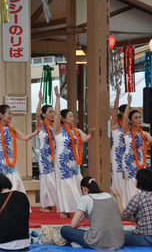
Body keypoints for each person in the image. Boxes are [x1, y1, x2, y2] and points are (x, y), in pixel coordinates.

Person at [0, 85, 41, 193]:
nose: (11, 116)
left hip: (11, 160)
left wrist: (34, 133)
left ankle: (16, 201)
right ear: (1, 115)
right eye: (9, 113)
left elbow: (25, 137)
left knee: (14, 178)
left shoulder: (11, 128)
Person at [53, 86, 95, 218]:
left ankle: (73, 208)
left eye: (73, 116)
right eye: (70, 116)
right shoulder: (58, 130)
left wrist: (92, 135)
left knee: (76, 183)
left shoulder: (77, 131)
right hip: (62, 161)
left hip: (74, 162)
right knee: (64, 183)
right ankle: (63, 209)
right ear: (63, 119)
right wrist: (58, 98)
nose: (72, 118)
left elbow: (86, 139)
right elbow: (56, 114)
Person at [120, 94, 152, 207]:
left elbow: (151, 140)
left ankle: (139, 206)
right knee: (130, 183)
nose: (139, 120)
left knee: (140, 183)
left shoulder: (144, 133)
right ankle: (128, 206)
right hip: (128, 162)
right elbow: (124, 119)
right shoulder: (126, 131)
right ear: (130, 120)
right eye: (136, 118)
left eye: (140, 117)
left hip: (139, 162)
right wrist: (129, 104)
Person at [60, 176, 124, 250]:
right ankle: (77, 243)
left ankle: (78, 243)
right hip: (118, 242)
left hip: (96, 242)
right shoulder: (109, 195)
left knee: (64, 230)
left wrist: (81, 218)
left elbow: (73, 225)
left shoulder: (86, 198)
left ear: (84, 188)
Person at [111, 169, 152, 247]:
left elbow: (122, 216)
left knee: (117, 233)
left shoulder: (138, 197)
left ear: (140, 182)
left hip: (146, 239)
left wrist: (117, 197)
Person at [35, 90, 57, 213]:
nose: (53, 113)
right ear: (44, 114)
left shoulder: (55, 127)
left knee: (53, 178)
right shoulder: (40, 126)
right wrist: (39, 100)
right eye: (50, 112)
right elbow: (37, 115)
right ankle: (44, 205)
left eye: (53, 111)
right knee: (46, 179)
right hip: (44, 155)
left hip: (54, 155)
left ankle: (51, 204)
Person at [110, 84, 127, 202]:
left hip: (126, 154)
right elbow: (115, 109)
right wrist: (118, 93)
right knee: (117, 175)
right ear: (122, 113)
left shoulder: (128, 127)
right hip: (116, 153)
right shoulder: (115, 124)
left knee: (126, 176)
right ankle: (116, 201)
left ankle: (126, 200)